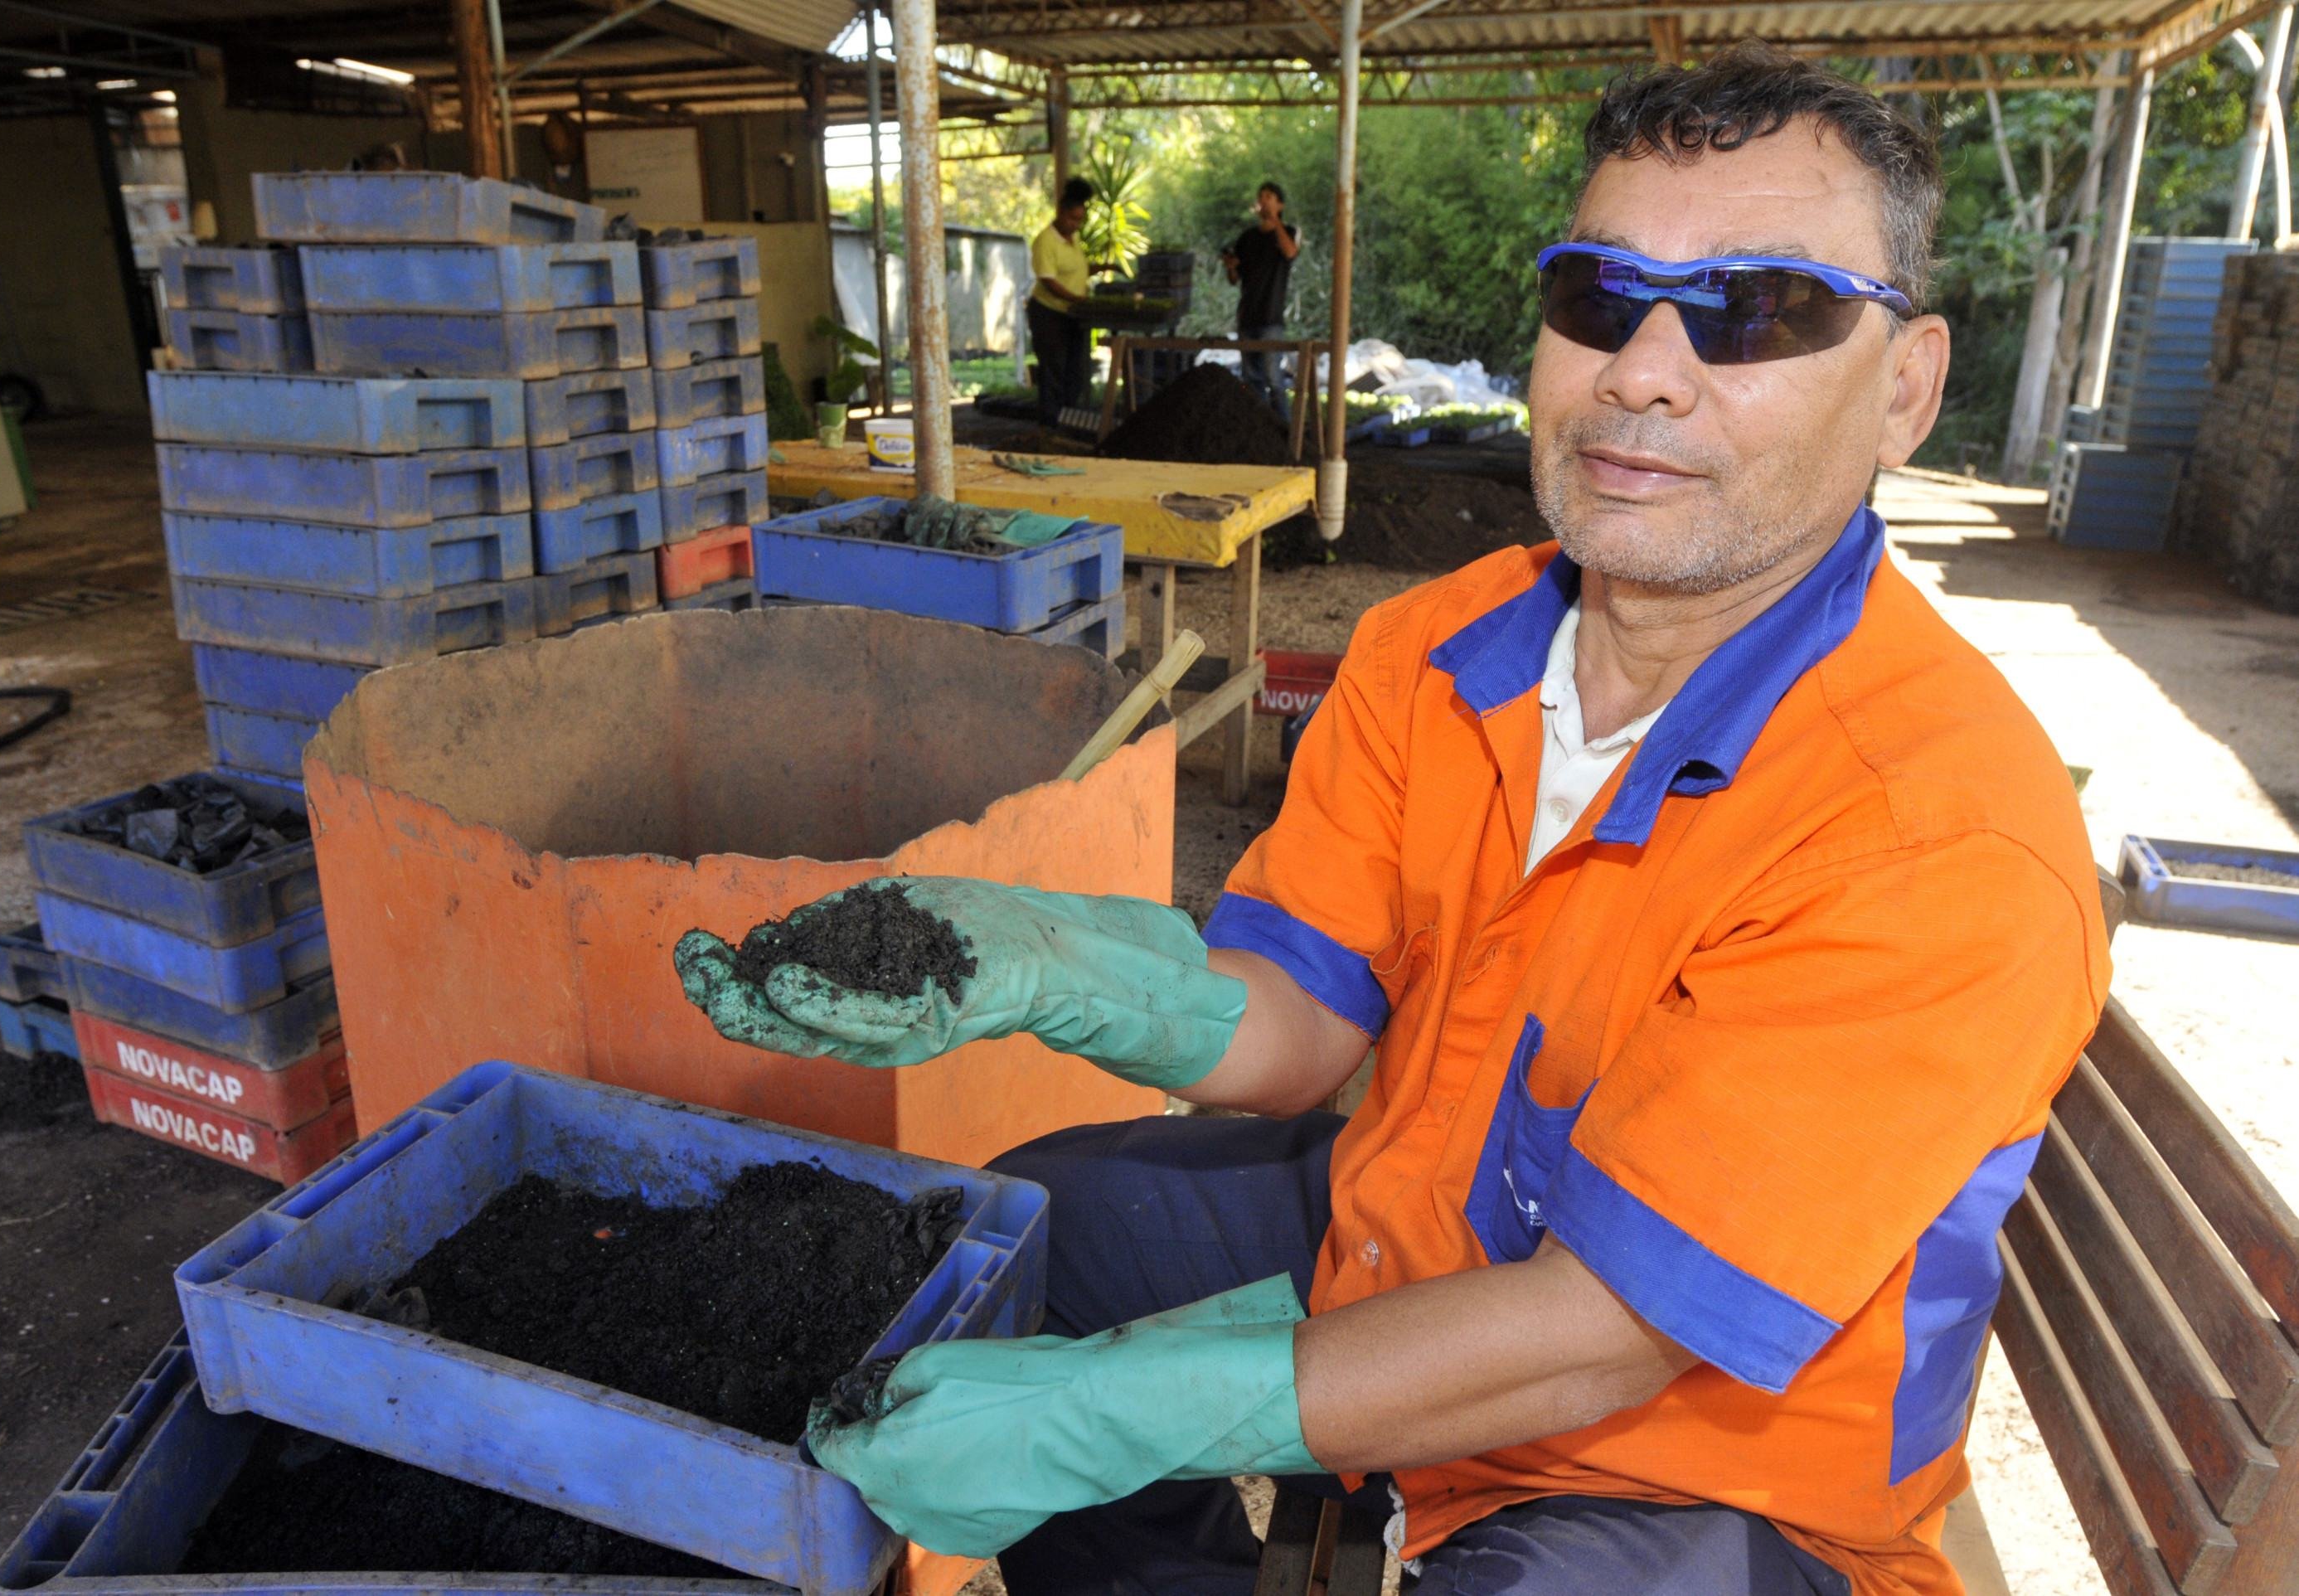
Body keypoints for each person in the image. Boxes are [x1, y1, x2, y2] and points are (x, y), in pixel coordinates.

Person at [677, 41, 2109, 1596]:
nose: (1640, 368)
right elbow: (1300, 1026)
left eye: (1755, 310)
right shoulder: (1433, 649)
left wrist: (1117, 1413)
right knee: (1030, 1238)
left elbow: (1602, 1333)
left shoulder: (1933, 837)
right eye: (1594, 298)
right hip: (1415, 1216)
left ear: (1903, 386)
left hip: (1701, 1467)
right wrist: (1041, 960)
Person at [1222, 182, 1301, 415]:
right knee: (1251, 379)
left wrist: (1275, 221)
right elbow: (1235, 279)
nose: (1264, 201)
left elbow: (1290, 253)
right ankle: (1259, 429)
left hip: (1271, 318)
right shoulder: (1246, 238)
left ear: (1280, 204)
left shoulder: (1288, 233)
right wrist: (1231, 266)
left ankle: (1284, 434)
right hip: (1247, 315)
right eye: (1261, 197)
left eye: (1269, 197)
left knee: (1274, 379)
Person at [1028, 177, 1102, 424]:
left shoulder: (1073, 240)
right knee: (1053, 370)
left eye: (1080, 220)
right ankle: (1050, 423)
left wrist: (1102, 267)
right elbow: (1049, 280)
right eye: (1072, 219)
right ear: (1060, 212)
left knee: (1075, 370)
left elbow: (1074, 270)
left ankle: (1069, 418)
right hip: (1049, 314)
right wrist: (1077, 299)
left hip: (1072, 315)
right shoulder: (1045, 242)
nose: (1075, 225)